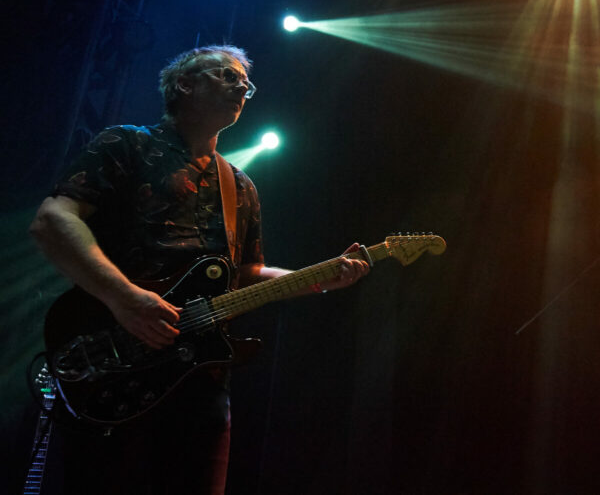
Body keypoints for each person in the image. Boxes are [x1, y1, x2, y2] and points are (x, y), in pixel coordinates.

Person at [29, 45, 370, 494]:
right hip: (113, 358)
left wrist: (316, 279)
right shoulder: (126, 144)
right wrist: (124, 297)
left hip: (200, 379)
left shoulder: (241, 186)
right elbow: (53, 220)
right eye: (227, 76)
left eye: (246, 84)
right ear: (185, 84)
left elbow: (247, 273)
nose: (241, 88)